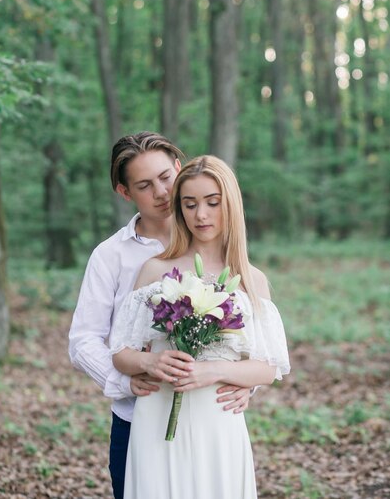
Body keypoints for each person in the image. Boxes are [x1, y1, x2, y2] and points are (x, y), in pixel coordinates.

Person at [68, 134, 253, 499]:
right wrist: (126, 381)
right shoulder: (110, 256)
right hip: (138, 421)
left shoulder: (215, 243)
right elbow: (82, 340)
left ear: (179, 170)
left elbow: (248, 330)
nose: (161, 191)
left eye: (166, 177)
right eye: (144, 185)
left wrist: (246, 382)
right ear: (125, 192)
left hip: (208, 422)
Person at [112, 155, 291, 499]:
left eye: (212, 202)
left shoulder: (251, 280)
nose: (201, 215)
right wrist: (149, 362)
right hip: (158, 414)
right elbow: (121, 353)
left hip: (219, 417)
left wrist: (215, 372)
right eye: (190, 204)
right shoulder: (155, 270)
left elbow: (269, 368)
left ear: (231, 205)